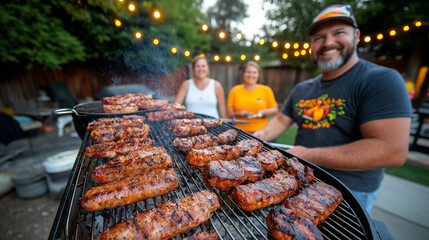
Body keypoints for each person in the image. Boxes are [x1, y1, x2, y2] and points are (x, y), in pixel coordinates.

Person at [253, 4, 412, 213]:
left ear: (356, 36)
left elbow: (392, 150)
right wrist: (259, 136)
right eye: (319, 37)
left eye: (338, 33)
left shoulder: (381, 80)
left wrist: (308, 155)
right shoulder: (303, 88)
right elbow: (281, 121)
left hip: (350, 193)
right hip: (296, 180)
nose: (327, 43)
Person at [227, 61, 278, 133]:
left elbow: (274, 110)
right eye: (248, 72)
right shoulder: (235, 90)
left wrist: (263, 112)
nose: (251, 75)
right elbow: (229, 114)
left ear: (259, 75)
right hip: (239, 132)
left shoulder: (266, 90)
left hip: (261, 132)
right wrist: (240, 113)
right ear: (243, 74)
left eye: (254, 72)